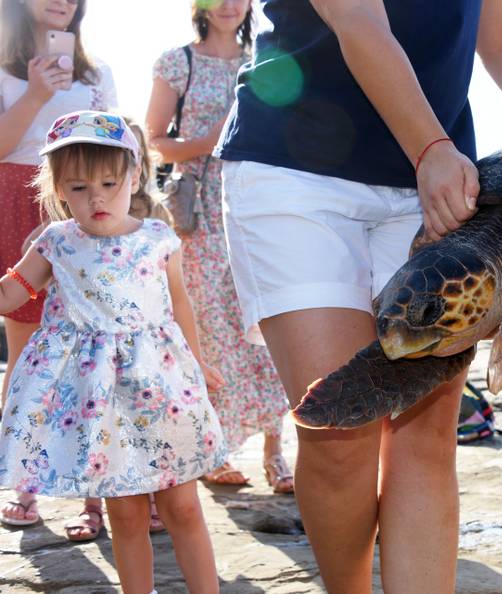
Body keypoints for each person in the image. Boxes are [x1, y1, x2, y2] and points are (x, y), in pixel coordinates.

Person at [216, 1, 502, 591]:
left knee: (426, 437)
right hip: (296, 172)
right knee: (340, 433)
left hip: (435, 183)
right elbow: (358, 18)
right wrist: (430, 149)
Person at [0, 111, 226, 594]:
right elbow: (10, 295)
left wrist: (197, 361)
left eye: (108, 181)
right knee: (125, 512)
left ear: (136, 175)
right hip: (97, 399)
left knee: (181, 504)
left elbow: (177, 304)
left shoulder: (157, 240)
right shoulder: (56, 242)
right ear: (59, 188)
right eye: (79, 187)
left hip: (159, 385)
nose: (97, 196)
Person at [145, 0, 293, 493]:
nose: (231, 3)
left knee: (271, 322)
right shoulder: (176, 62)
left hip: (261, 205)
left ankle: (277, 452)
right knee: (210, 333)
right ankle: (217, 448)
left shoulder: (267, 57)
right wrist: (211, 140)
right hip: (200, 216)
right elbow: (151, 142)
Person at [0, 0, 119, 536]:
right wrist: (37, 92)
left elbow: (116, 151)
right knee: (27, 355)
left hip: (84, 206)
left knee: (95, 352)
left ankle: (94, 494)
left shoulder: (99, 76)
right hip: (13, 199)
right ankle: (25, 483)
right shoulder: (3, 69)